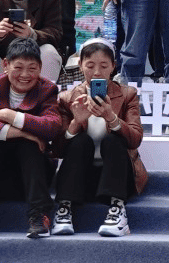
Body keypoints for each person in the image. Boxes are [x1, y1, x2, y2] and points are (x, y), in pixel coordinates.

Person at [0, 37, 67, 240]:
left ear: (41, 68)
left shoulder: (47, 89)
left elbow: (53, 126)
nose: (25, 75)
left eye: (32, 68)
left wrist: (13, 117)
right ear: (5, 65)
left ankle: (39, 215)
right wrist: (24, 131)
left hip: (32, 174)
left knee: (28, 145)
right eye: (18, 67)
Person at [54, 39, 146, 237]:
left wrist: (112, 118)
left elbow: (135, 140)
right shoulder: (67, 98)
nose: (97, 72)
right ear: (80, 65)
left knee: (112, 140)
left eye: (104, 66)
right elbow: (58, 150)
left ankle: (117, 208)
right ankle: (64, 208)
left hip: (119, 176)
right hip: (82, 177)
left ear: (113, 66)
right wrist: (75, 123)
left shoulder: (127, 94)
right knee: (80, 141)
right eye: (90, 65)